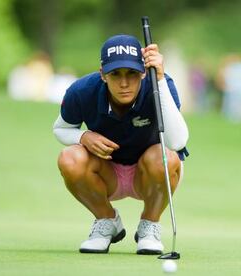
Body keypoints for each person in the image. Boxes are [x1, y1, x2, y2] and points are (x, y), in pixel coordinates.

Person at [53, 34, 189, 255]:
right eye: (115, 74)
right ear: (102, 74)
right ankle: (106, 220)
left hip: (151, 174)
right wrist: (83, 137)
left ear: (144, 72)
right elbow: (60, 129)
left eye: (132, 74)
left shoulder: (160, 85)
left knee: (165, 156)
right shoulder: (82, 91)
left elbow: (177, 141)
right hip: (105, 174)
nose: (124, 83)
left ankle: (149, 225)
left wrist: (161, 79)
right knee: (69, 158)